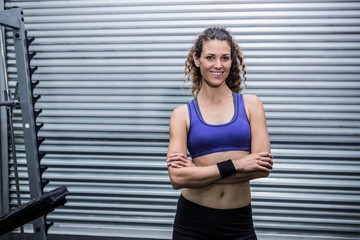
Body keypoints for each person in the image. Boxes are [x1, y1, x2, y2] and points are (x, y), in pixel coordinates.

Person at [166, 27, 273, 240]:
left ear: (232, 61)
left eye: (225, 57)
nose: (218, 65)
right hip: (192, 221)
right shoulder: (181, 114)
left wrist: (198, 173)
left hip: (238, 222)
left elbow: (262, 168)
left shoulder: (251, 105)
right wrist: (238, 164)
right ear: (196, 60)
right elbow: (177, 178)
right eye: (210, 57)